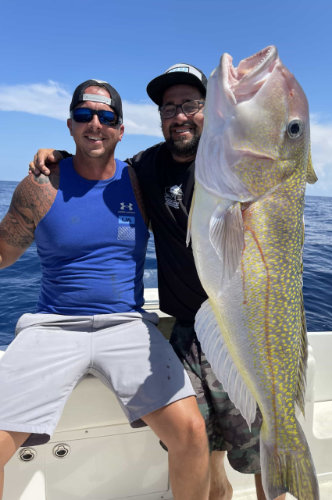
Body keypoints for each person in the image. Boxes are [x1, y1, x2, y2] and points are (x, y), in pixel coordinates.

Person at [30, 67, 286, 500]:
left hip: (239, 331)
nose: (180, 116)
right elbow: (100, 161)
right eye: (170, 108)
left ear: (213, 112)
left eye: (191, 104)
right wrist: (58, 154)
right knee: (203, 448)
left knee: (264, 452)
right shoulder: (145, 168)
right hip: (185, 332)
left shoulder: (235, 163)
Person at [0, 79, 210, 500]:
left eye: (106, 116)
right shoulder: (41, 186)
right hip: (52, 326)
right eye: (84, 115)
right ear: (70, 124)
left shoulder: (139, 182)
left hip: (127, 325)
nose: (94, 124)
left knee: (191, 432)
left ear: (120, 128)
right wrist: (49, 159)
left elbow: (194, 160)